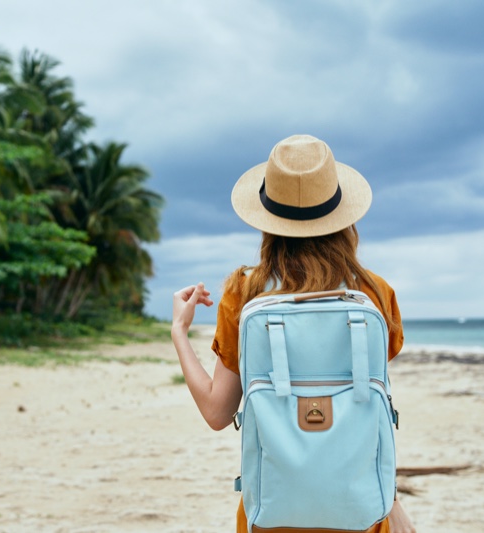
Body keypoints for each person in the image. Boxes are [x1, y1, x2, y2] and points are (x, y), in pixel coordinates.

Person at [171, 134, 416, 533]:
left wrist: (180, 332)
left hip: (271, 513)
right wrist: (391, 500)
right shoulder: (374, 293)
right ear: (343, 217)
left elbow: (218, 413)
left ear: (268, 221)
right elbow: (367, 411)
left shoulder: (243, 291)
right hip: (363, 513)